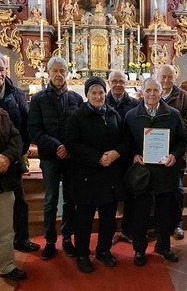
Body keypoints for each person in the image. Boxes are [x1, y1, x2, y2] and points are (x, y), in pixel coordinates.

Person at [123, 77, 187, 266]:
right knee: (141, 214)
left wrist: (174, 155)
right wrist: (134, 155)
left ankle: (164, 247)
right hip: (142, 174)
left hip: (166, 172)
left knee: (165, 213)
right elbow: (127, 142)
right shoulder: (131, 116)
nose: (152, 94)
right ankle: (139, 250)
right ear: (141, 92)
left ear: (161, 92)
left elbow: (182, 141)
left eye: (155, 90)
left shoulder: (173, 115)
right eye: (148, 90)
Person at [66, 77, 127, 273]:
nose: (98, 96)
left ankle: (103, 250)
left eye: (101, 92)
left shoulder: (114, 114)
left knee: (109, 219)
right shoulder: (77, 116)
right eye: (94, 92)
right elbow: (72, 144)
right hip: (87, 176)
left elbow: (125, 140)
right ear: (87, 95)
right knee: (84, 219)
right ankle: (82, 254)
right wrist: (98, 157)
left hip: (110, 176)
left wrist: (116, 153)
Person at [28, 56, 83, 260]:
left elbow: (79, 129)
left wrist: (68, 147)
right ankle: (50, 241)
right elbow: (34, 130)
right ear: (49, 73)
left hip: (70, 158)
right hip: (50, 156)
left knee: (70, 199)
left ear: (67, 74)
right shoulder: (39, 99)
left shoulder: (76, 100)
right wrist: (56, 145)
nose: (59, 75)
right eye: (55, 71)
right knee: (51, 200)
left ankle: (67, 238)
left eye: (62, 71)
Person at [0, 52, 40, 257]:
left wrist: (15, 155)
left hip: (15, 158)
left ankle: (21, 239)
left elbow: (25, 127)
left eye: (1, 69)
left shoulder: (17, 94)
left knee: (19, 202)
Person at [157, 64, 187, 240]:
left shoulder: (183, 96)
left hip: (177, 150)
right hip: (155, 150)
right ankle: (157, 224)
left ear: (175, 77)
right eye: (163, 77)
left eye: (169, 77)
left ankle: (177, 224)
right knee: (156, 190)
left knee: (177, 190)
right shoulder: (151, 93)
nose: (166, 80)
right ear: (157, 77)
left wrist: (174, 127)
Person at [0, 103, 27, 281]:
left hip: (2, 182)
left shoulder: (0, 113)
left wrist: (8, 156)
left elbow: (16, 138)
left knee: (5, 229)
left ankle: (6, 266)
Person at [106, 70, 139, 242]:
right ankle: (110, 231)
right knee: (110, 197)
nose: (118, 84)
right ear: (109, 82)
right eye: (115, 81)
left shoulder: (135, 104)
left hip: (129, 156)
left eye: (121, 81)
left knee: (131, 194)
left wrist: (134, 153)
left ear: (126, 83)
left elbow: (137, 132)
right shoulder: (101, 101)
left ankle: (128, 230)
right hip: (109, 158)